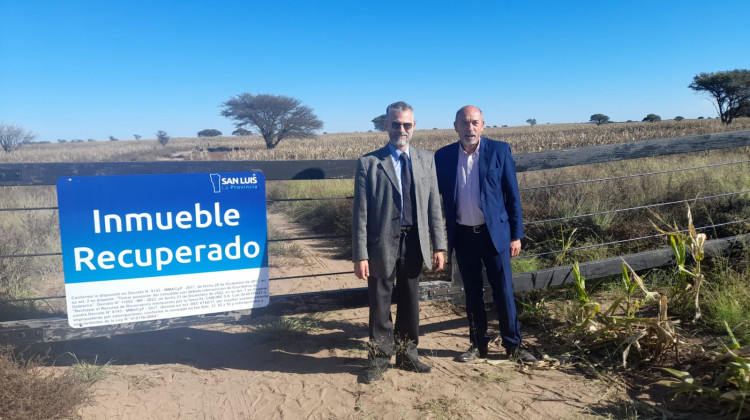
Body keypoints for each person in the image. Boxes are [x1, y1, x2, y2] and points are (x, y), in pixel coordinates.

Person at [434, 105, 537, 363]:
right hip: (464, 236)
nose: (470, 127)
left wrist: (516, 234)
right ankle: (478, 345)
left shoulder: (499, 151)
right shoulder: (443, 156)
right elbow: (433, 197)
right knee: (472, 293)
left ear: (482, 125)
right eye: (465, 123)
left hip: (496, 236)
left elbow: (512, 195)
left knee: (503, 291)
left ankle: (513, 346)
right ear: (455, 126)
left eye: (474, 122)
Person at [353, 101, 447, 383]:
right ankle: (379, 358)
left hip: (415, 241)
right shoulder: (369, 163)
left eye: (407, 124)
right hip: (381, 243)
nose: (401, 130)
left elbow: (434, 206)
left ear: (414, 126)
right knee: (380, 302)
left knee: (410, 300)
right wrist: (360, 254)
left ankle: (408, 355)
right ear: (386, 126)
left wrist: (439, 245)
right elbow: (360, 213)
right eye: (396, 124)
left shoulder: (425, 159)